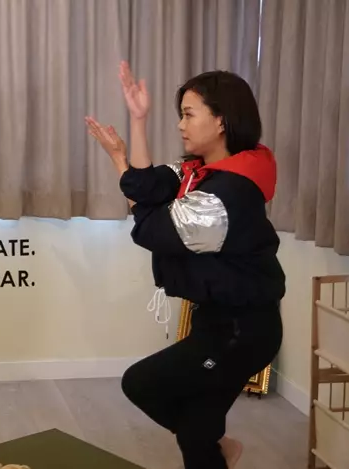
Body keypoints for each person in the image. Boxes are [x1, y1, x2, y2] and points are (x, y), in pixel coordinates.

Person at [85, 62, 285, 469]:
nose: (180, 125)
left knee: (142, 383)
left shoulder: (225, 195)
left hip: (242, 330)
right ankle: (218, 447)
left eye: (189, 114)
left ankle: (217, 445)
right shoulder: (202, 171)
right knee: (197, 433)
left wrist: (122, 165)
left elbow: (153, 229)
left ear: (221, 121)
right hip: (218, 320)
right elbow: (148, 188)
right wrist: (136, 125)